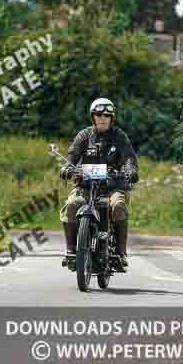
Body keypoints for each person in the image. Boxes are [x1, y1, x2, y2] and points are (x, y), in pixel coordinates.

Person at [59, 98, 139, 271]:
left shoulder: (119, 136)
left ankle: (120, 253)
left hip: (114, 186)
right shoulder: (84, 135)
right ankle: (71, 251)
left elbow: (129, 157)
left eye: (107, 115)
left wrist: (131, 169)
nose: (103, 118)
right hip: (86, 185)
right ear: (92, 117)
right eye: (98, 114)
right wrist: (67, 167)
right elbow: (72, 155)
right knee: (72, 204)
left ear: (111, 118)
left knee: (118, 205)